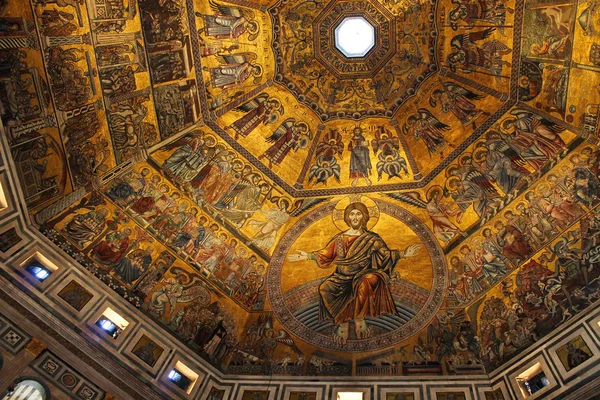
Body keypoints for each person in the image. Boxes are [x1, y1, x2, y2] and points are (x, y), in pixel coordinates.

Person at [288, 202, 421, 344]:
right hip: (341, 277)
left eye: (358, 214)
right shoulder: (340, 239)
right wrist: (308, 256)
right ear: (347, 218)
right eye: (352, 214)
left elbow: (386, 254)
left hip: (364, 274)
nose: (355, 217)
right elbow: (327, 254)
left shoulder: (372, 239)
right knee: (324, 287)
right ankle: (342, 321)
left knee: (367, 281)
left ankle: (360, 319)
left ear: (364, 217)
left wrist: (403, 254)